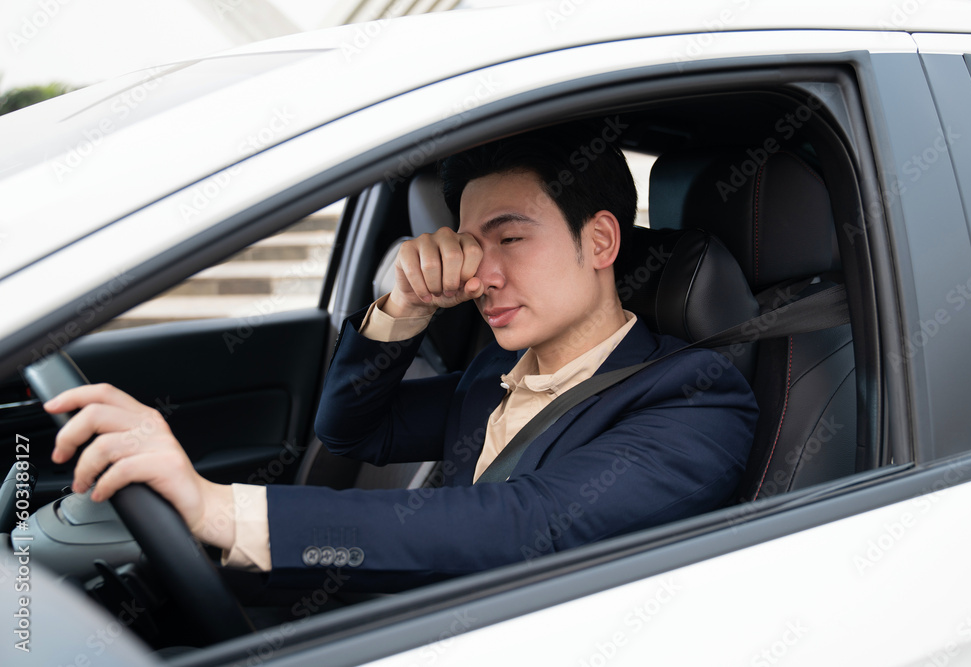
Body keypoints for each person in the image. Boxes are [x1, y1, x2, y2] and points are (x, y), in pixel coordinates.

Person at [46, 121, 757, 591]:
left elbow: (521, 527)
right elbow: (353, 429)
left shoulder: (695, 398)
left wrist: (216, 507)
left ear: (600, 242)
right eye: (472, 244)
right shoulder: (493, 372)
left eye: (510, 238)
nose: (481, 273)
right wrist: (402, 309)